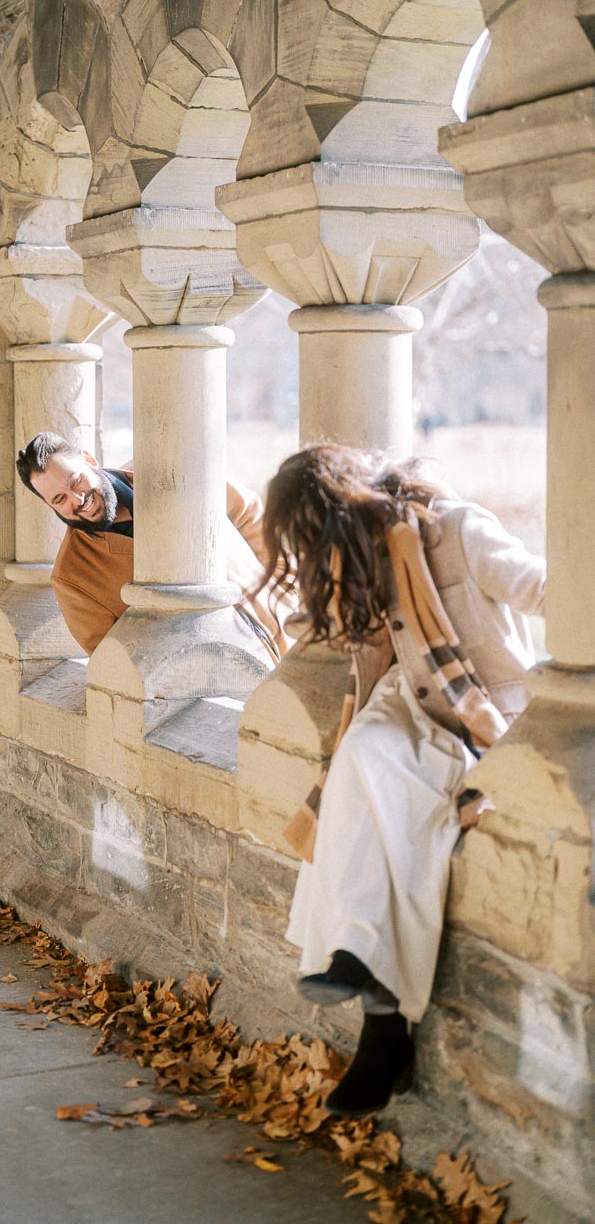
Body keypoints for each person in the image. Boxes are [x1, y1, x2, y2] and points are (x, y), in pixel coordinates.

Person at [254, 443, 546, 1117]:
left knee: (394, 797)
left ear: (346, 510)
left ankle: (381, 1016)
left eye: (312, 539)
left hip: (478, 719)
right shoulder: (360, 563)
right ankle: (363, 969)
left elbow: (546, 588)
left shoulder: (459, 532)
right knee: (361, 760)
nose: (313, 557)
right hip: (412, 714)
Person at [16, 431, 289, 660]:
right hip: (229, 689)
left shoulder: (170, 472)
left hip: (293, 640)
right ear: (47, 504)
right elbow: (116, 667)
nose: (77, 500)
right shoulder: (72, 579)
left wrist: (286, 584)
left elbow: (250, 513)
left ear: (89, 459)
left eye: (76, 481)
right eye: (60, 499)